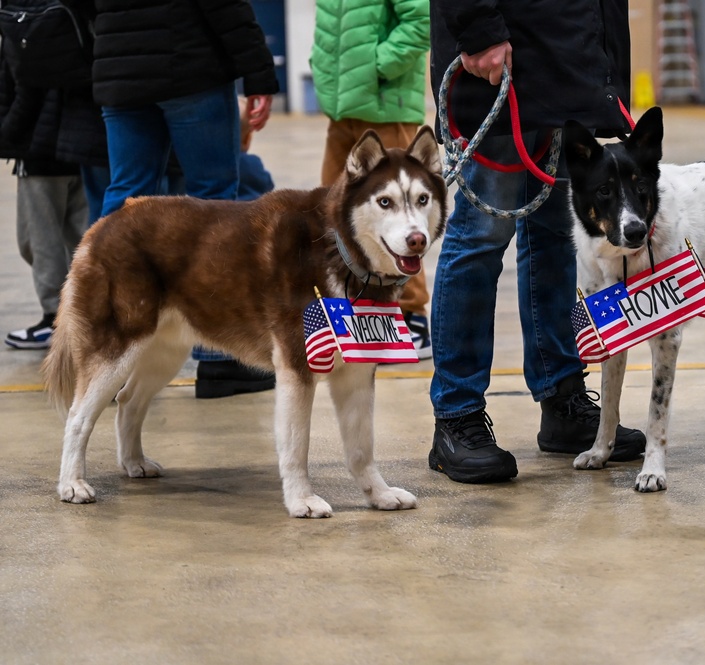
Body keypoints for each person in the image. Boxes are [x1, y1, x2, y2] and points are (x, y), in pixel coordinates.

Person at [425, 0, 647, 483]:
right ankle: (455, 416)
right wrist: (478, 29)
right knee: (481, 237)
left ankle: (562, 398)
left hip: (572, 68)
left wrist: (602, 71)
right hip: (503, 64)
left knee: (557, 238)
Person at [87, 0, 280, 398]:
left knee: (124, 198)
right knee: (215, 204)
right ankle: (220, 359)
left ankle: (108, 352)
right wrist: (259, 73)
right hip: (190, 69)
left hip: (120, 71)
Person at [310, 0, 434, 359]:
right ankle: (350, 312)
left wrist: (376, 67)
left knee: (400, 212)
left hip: (385, 105)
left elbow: (420, 19)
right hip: (342, 108)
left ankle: (411, 315)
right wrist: (323, 70)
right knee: (329, 213)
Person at [0, 3, 108, 350]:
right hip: (86, 142)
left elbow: (16, 87)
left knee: (37, 239)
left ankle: (56, 319)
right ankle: (84, 314)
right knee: (80, 233)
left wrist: (8, 137)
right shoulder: (82, 13)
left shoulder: (25, 20)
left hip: (42, 147)